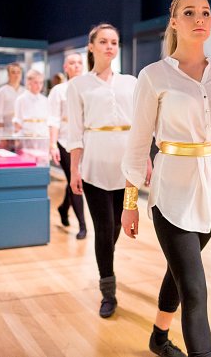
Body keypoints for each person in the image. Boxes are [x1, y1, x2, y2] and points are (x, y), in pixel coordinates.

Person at [121, 0, 211, 357]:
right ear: (174, 22)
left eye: (205, 12)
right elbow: (138, 144)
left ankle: (158, 338)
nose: (199, 19)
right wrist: (130, 202)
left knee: (180, 274)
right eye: (189, 12)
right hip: (170, 196)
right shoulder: (153, 76)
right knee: (195, 288)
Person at [67, 23, 139, 318]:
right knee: (104, 228)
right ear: (92, 46)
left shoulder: (131, 82)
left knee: (119, 226)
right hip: (94, 166)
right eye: (104, 41)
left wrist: (144, 159)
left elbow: (141, 125)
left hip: (126, 166)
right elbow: (74, 133)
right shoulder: (78, 86)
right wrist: (74, 170)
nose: (110, 46)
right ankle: (108, 292)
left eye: (114, 42)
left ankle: (104, 264)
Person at [48, 53, 87, 239]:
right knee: (76, 179)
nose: (77, 66)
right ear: (65, 67)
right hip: (65, 142)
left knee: (78, 179)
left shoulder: (89, 88)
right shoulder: (58, 90)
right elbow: (53, 119)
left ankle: (64, 208)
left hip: (86, 141)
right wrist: (52, 144)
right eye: (72, 63)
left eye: (80, 63)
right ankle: (83, 225)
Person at [13, 69, 48, 137]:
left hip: (43, 136)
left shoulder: (45, 100)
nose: (39, 86)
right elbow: (17, 121)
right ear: (28, 82)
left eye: (41, 83)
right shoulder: (21, 99)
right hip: (26, 136)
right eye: (36, 82)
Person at [0, 62, 25, 128]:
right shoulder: (2, 91)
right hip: (7, 126)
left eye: (18, 72)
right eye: (13, 72)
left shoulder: (24, 91)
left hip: (22, 127)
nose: (16, 75)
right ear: (8, 74)